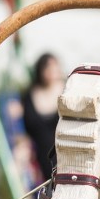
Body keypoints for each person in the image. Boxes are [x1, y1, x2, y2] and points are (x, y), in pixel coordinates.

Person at [22, 53, 65, 181]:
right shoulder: (28, 95)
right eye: (47, 68)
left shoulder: (68, 91)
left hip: (66, 157)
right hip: (38, 160)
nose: (51, 72)